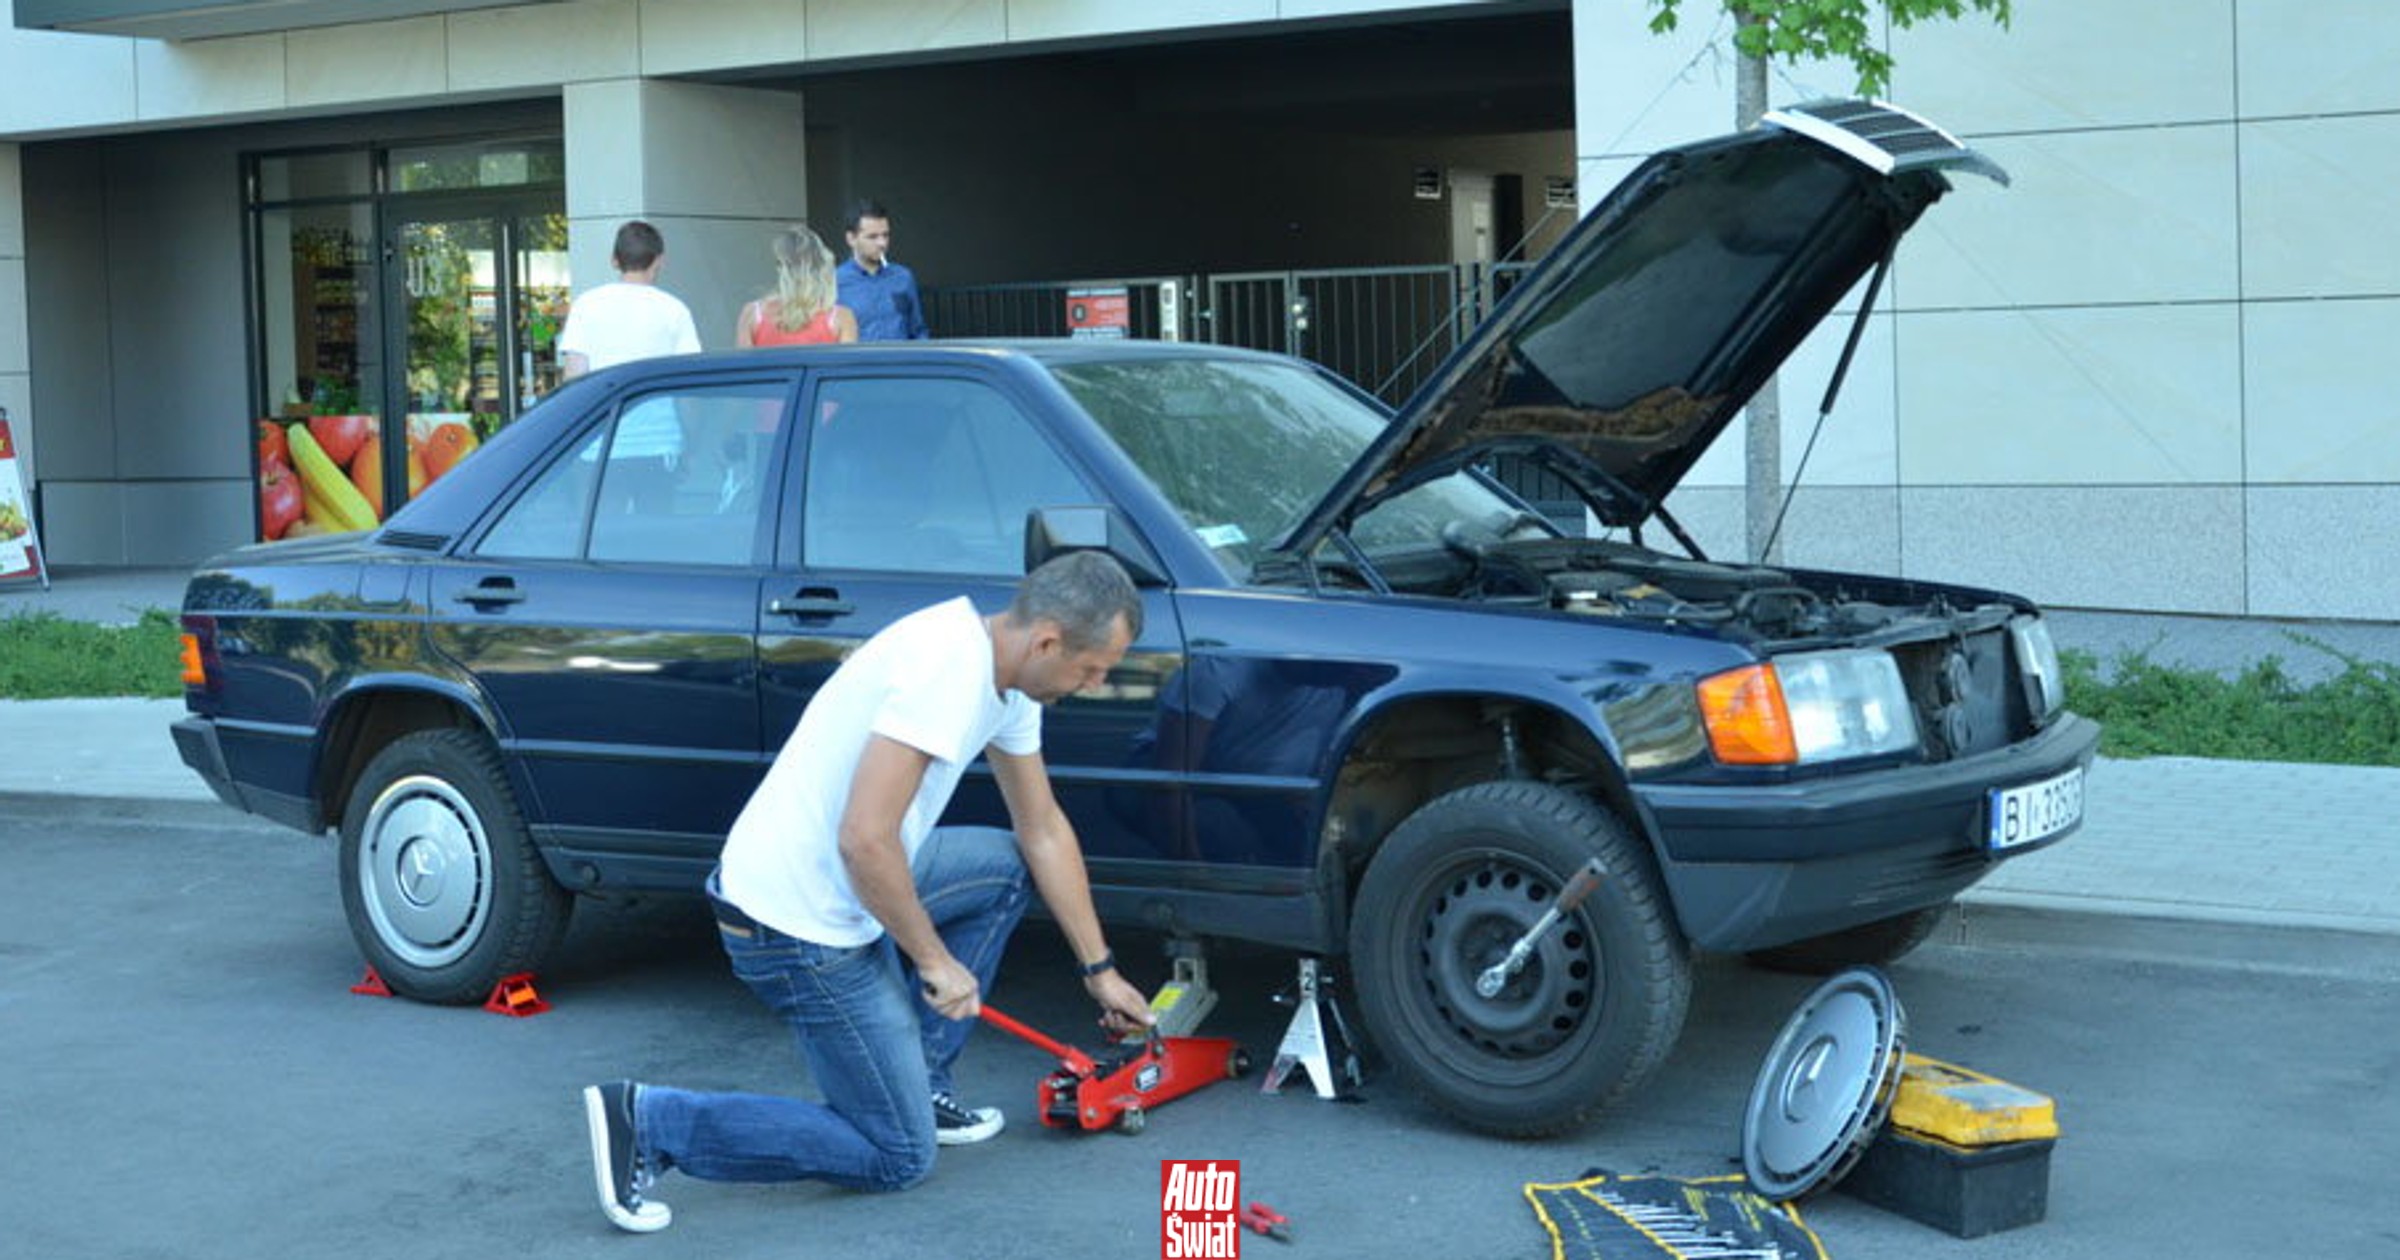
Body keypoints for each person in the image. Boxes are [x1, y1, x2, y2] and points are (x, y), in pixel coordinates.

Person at [582, 550, 1154, 1234]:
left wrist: (1100, 970)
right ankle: (651, 1122)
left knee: (1004, 866)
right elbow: (864, 838)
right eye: (1092, 670)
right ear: (1048, 641)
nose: (1094, 685)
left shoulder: (1009, 676)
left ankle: (920, 1082)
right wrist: (935, 960)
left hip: (850, 883)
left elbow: (1043, 829)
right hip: (796, 926)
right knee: (896, 1154)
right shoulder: (946, 671)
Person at [557, 221, 703, 514]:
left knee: (602, 537)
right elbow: (688, 389)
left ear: (614, 260)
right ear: (659, 260)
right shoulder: (674, 309)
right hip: (660, 443)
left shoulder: (587, 305)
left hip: (599, 444)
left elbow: (574, 377)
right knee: (655, 538)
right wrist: (691, 440)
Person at [735, 224, 859, 347]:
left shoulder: (752, 314)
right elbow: (847, 366)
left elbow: (741, 365)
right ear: (822, 266)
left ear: (781, 268)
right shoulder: (841, 318)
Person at [835, 198, 930, 341]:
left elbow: (918, 330)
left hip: (901, 361)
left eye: (885, 235)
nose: (882, 243)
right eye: (872, 237)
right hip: (860, 362)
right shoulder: (835, 281)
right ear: (851, 239)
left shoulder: (903, 277)